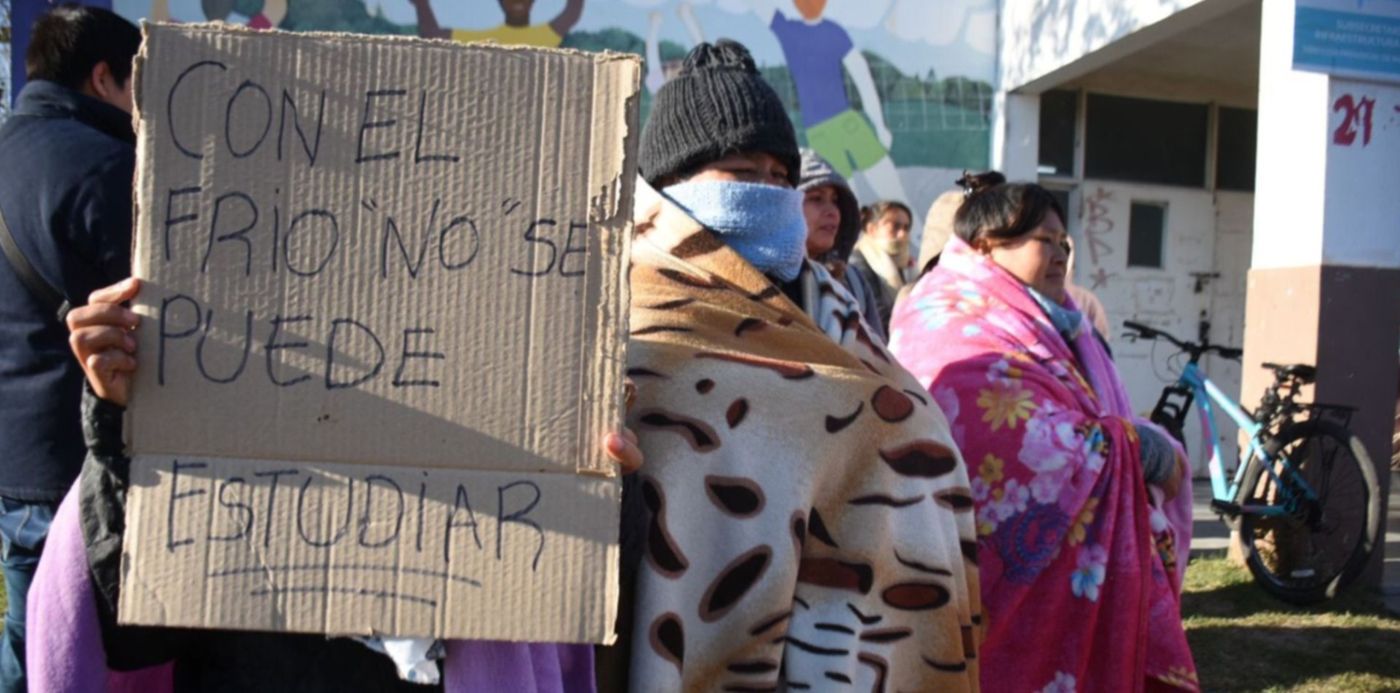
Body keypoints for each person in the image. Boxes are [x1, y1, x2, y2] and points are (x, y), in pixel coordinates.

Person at [40, 274, 642, 693]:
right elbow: (132, 635)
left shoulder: (524, 398)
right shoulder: (201, 397)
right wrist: (129, 425)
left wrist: (601, 483)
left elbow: (592, 612)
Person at [612, 39, 979, 691]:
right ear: (669, 186)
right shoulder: (627, 314)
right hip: (686, 640)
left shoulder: (833, 305)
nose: (770, 193)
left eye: (781, 178)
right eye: (741, 173)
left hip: (849, 648)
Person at [887, 180, 1197, 691]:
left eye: (1063, 243)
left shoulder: (1048, 320)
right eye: (1042, 241)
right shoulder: (947, 320)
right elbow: (1010, 442)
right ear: (987, 245)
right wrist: (1138, 447)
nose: (1058, 255)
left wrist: (1124, 439)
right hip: (973, 570)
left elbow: (1080, 412)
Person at [0, 7, 139, 691]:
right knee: (75, 651)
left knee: (30, 645)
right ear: (104, 76)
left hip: (15, 460)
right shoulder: (110, 168)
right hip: (80, 469)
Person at [797, 148, 886, 339]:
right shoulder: (767, 280)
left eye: (836, 201)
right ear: (788, 203)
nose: (832, 212)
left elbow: (880, 363)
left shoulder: (854, 283)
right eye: (816, 198)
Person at [409, 0, 585, 48]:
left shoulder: (545, 34)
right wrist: (421, 5)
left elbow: (572, 13)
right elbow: (432, 34)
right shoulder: (483, 39)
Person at [849, 200, 913, 330]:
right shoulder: (857, 261)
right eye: (895, 226)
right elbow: (877, 313)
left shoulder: (903, 264)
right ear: (871, 229)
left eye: (906, 228)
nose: (902, 234)